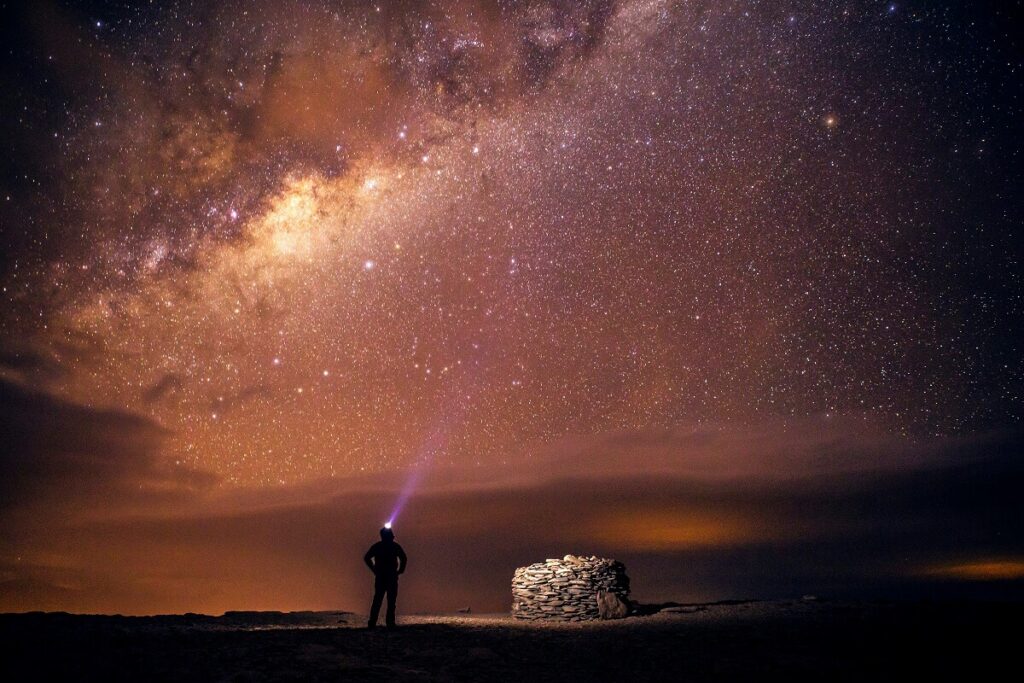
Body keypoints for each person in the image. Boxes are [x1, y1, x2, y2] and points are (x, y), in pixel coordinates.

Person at [364, 525, 407, 628]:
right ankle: (387, 622)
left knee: (380, 600)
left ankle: (374, 622)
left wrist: (374, 569)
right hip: (388, 576)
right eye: (391, 534)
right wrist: (400, 570)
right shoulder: (394, 546)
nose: (393, 536)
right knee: (387, 600)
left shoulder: (379, 546)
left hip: (384, 576)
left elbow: (367, 557)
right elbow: (403, 558)